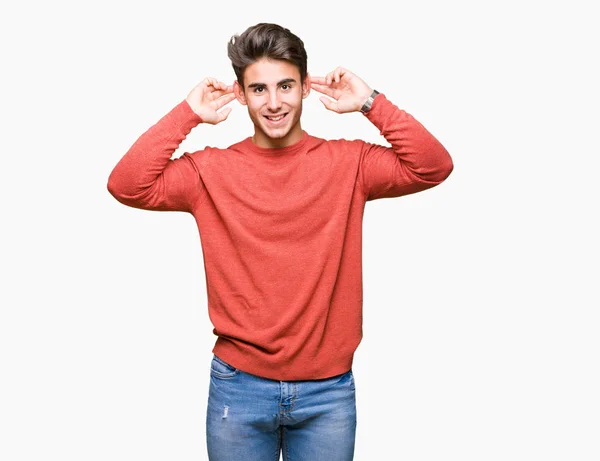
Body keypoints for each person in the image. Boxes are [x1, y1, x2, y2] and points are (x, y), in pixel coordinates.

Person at [107, 22, 453, 461]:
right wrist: (187, 114)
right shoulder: (209, 172)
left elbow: (432, 166)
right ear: (240, 93)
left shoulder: (350, 163)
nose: (273, 103)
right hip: (240, 385)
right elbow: (127, 185)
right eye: (259, 90)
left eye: (286, 86)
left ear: (306, 87)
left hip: (327, 392)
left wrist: (370, 102)